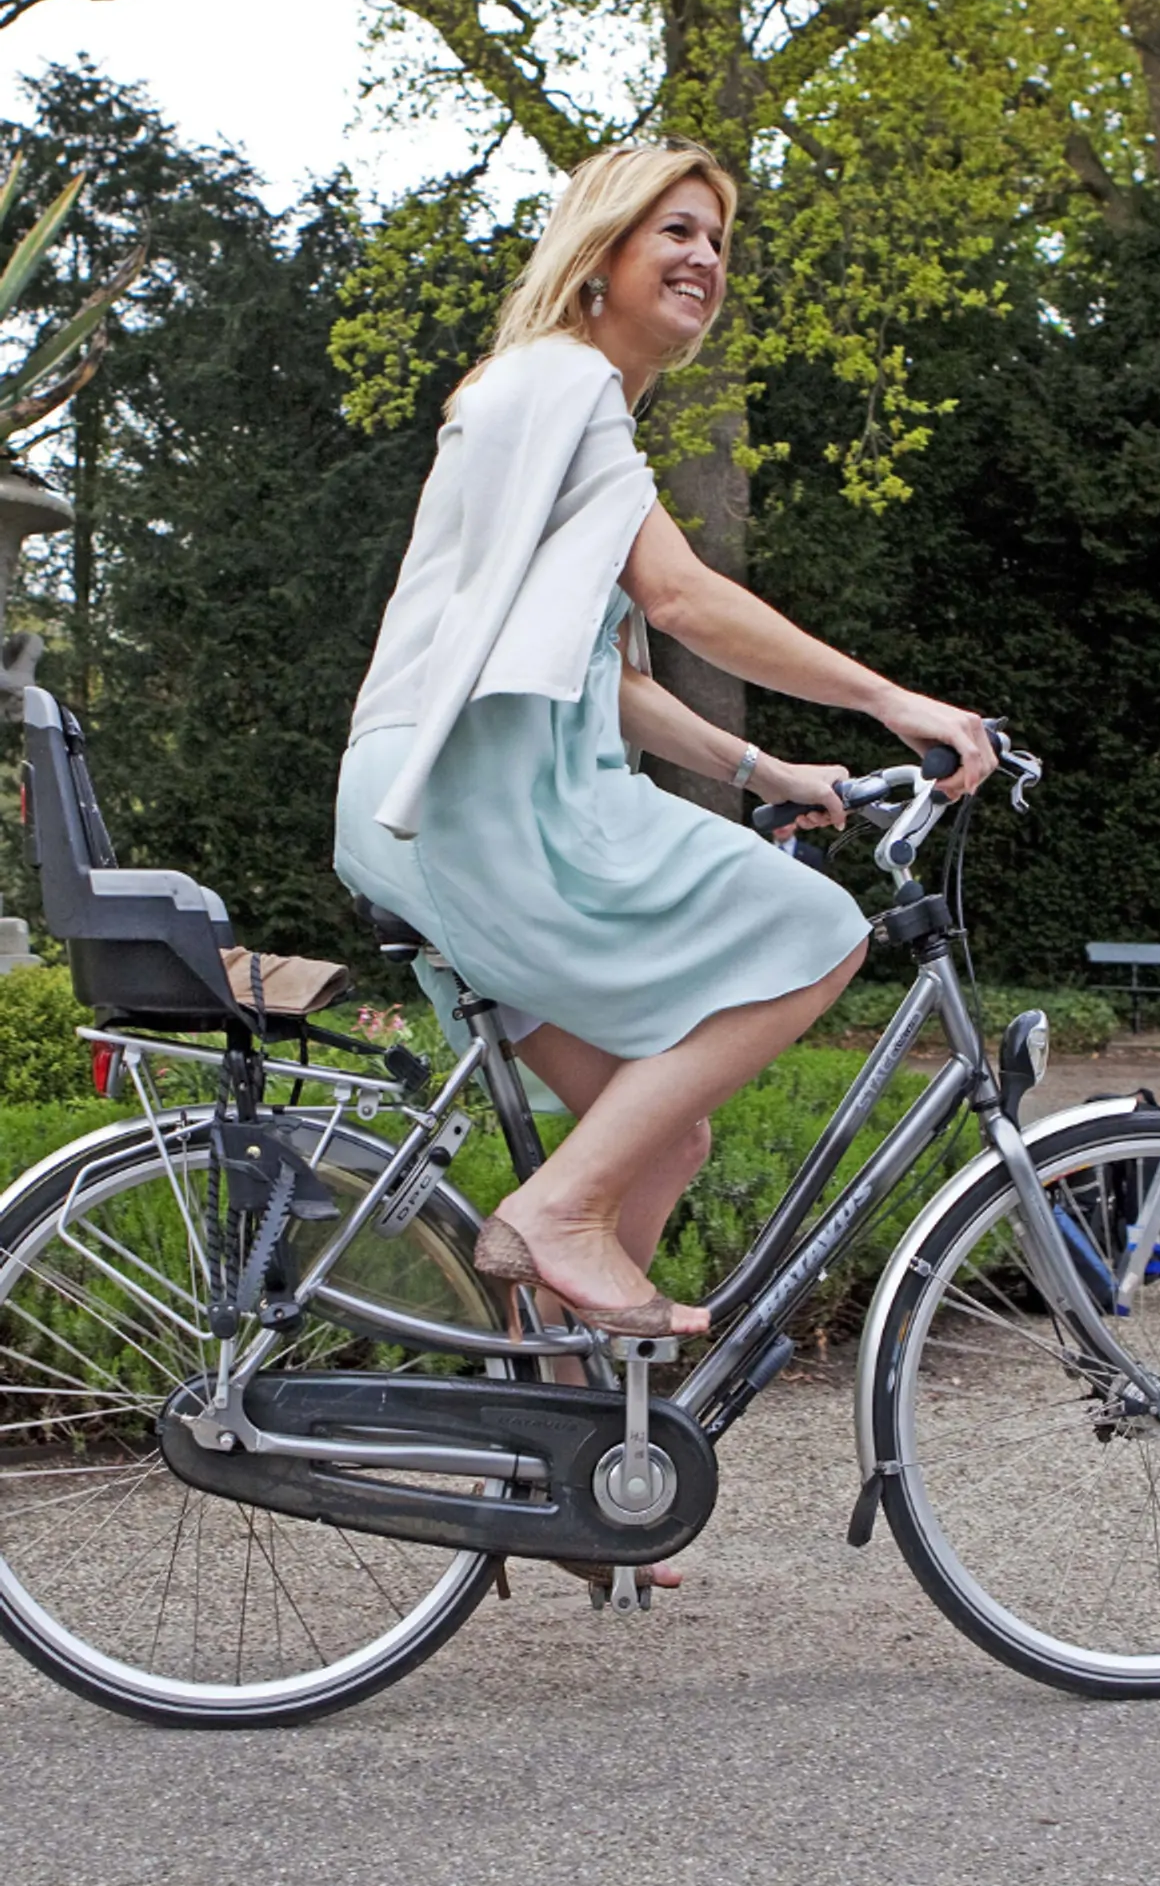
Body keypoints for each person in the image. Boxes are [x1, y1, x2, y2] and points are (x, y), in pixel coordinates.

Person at [332, 140, 997, 1576]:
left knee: (668, 1123)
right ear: (604, 248)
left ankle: (565, 1458)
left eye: (718, 242)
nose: (703, 259)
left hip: (439, 792)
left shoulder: (563, 411)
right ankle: (556, 1214)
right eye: (676, 232)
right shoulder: (563, 385)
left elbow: (605, 672)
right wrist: (892, 702)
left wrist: (771, 770)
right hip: (476, 797)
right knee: (817, 937)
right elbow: (682, 599)